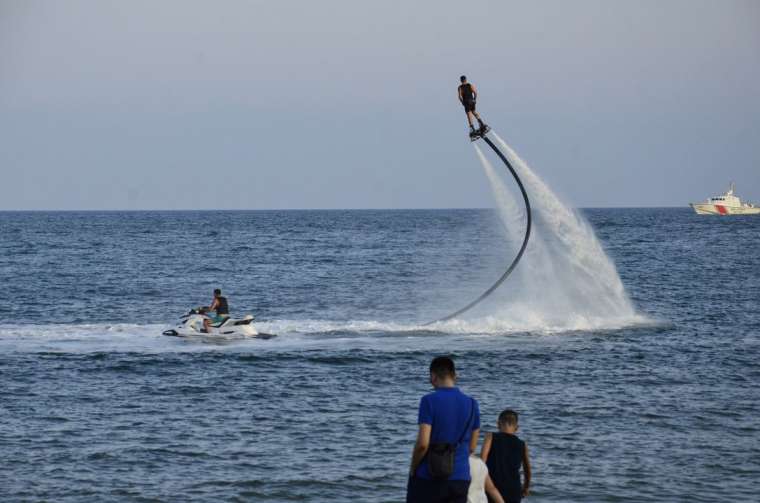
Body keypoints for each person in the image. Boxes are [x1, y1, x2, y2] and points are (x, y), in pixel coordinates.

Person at [407, 356, 481, 503]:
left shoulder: (428, 400)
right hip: (460, 478)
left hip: (428, 477)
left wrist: (413, 468)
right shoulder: (473, 404)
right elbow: (472, 447)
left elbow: (423, 444)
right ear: (455, 376)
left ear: (433, 376)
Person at [480, 410, 531, 503]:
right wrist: (526, 487)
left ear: (498, 424)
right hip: (514, 489)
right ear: (517, 428)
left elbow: (482, 461)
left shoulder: (490, 437)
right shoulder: (522, 444)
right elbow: (527, 470)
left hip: (493, 487)